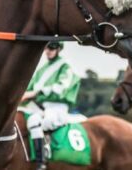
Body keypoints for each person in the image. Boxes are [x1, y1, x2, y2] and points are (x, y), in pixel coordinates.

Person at [20, 41, 81, 170]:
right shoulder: (41, 69)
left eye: (52, 48)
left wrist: (34, 93)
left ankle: (41, 162)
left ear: (59, 49)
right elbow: (28, 90)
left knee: (34, 122)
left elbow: (61, 87)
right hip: (38, 107)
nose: (48, 51)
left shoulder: (66, 66)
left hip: (57, 107)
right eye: (46, 48)